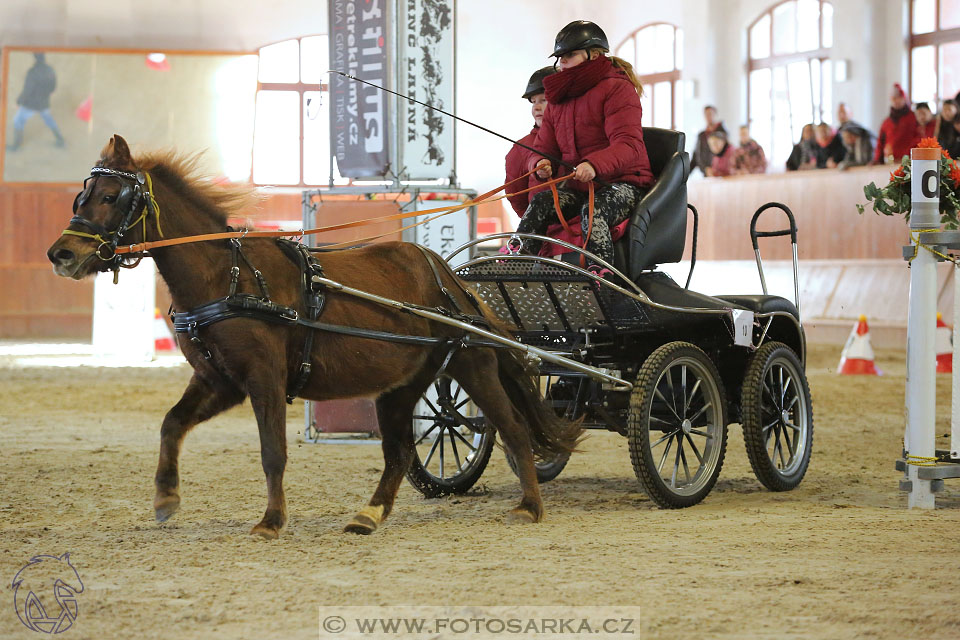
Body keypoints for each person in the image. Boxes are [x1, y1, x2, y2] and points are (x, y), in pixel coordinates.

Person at [518, 20, 653, 267]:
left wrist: (594, 165)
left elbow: (629, 144)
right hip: (579, 187)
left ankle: (599, 277)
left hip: (624, 184)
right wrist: (539, 163)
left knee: (594, 211)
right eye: (560, 57)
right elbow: (543, 147)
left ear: (594, 54)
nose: (562, 62)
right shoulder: (558, 97)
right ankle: (518, 265)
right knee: (541, 202)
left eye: (570, 55)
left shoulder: (618, 88)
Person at [504, 66, 555, 216]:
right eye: (533, 102)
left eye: (543, 100)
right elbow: (515, 195)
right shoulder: (521, 148)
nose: (537, 107)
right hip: (544, 231)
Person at [6, 52, 65, 151]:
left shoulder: (32, 72)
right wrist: (46, 93)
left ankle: (16, 146)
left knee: (18, 121)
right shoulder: (50, 70)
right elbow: (53, 86)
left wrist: (18, 102)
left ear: (35, 58)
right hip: (44, 103)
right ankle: (60, 140)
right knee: (49, 121)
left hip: (31, 104)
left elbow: (27, 90)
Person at [873, 83, 920, 164]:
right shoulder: (886, 122)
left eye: (898, 98)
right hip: (890, 163)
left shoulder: (914, 118)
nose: (896, 101)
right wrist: (877, 160)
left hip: (910, 162)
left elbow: (919, 138)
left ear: (904, 99)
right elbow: (880, 143)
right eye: (893, 98)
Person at [691, 105, 726, 176]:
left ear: (715, 115)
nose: (708, 116)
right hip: (706, 173)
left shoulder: (723, 133)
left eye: (710, 114)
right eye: (706, 114)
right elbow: (696, 154)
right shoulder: (701, 135)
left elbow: (726, 153)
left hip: (720, 173)